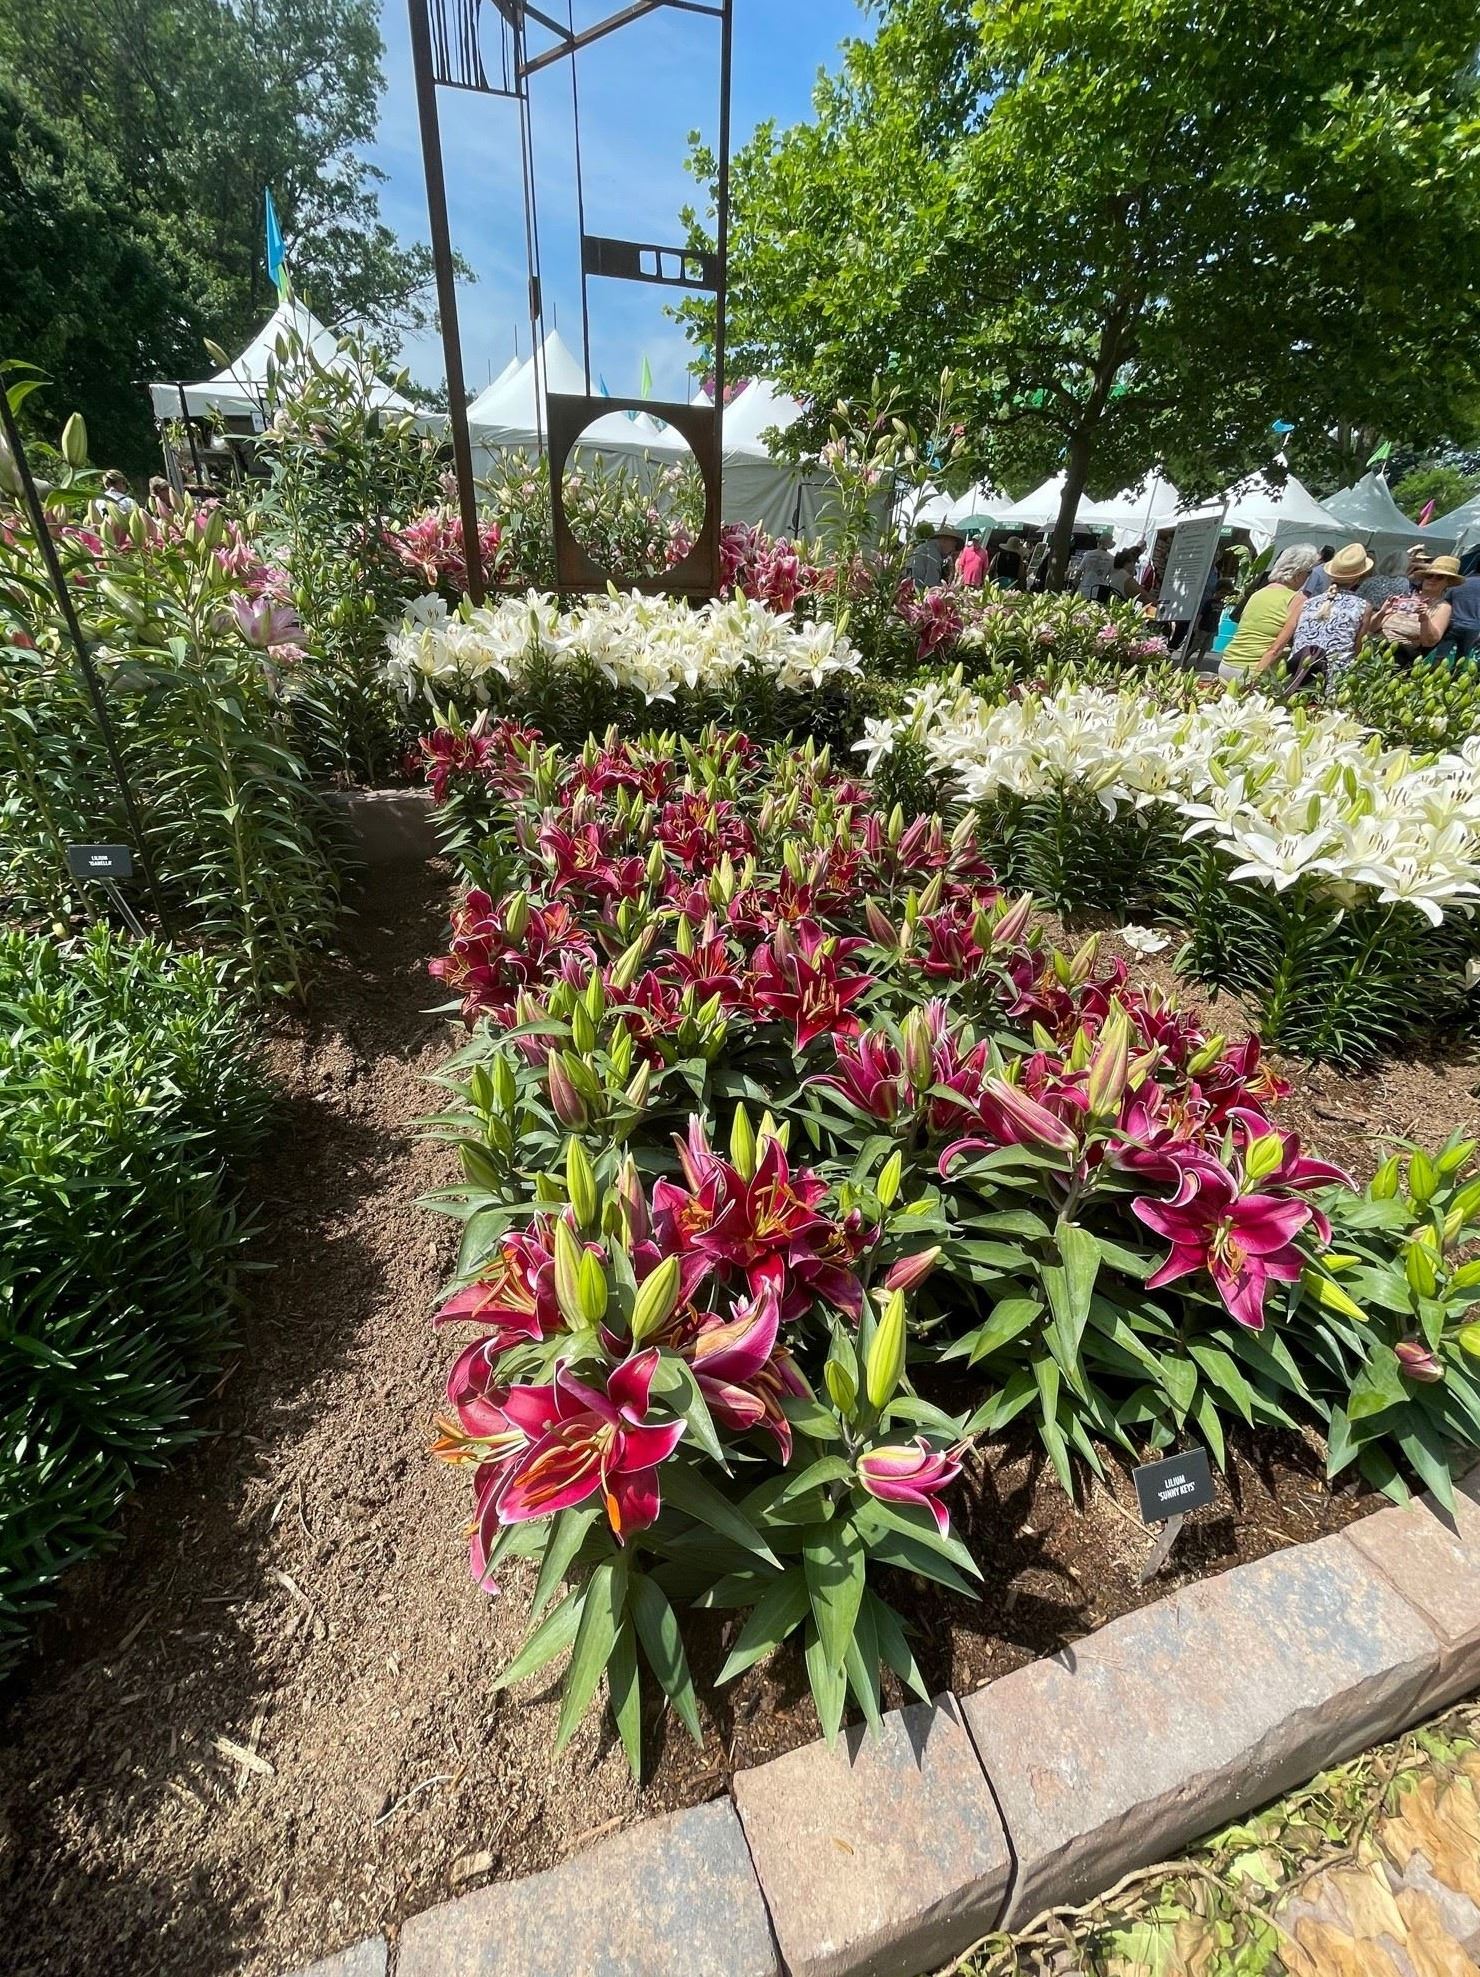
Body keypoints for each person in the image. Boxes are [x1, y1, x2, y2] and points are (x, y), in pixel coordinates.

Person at [1254, 542, 1372, 695]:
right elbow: (1358, 650)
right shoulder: (1363, 607)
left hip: (1297, 678)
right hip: (1334, 684)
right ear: (1359, 578)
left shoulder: (1307, 603)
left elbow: (1279, 645)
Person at [1217, 543, 1320, 682]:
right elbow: (1275, 649)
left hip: (1227, 664)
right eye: (1309, 572)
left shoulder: (1258, 593)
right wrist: (1253, 680)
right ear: (1298, 573)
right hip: (1254, 670)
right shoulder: (1298, 600)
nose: (1309, 577)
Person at [1373, 554, 1463, 661]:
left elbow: (1429, 642)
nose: (1432, 580)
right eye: (1429, 576)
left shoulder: (1443, 607)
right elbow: (1372, 628)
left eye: (1439, 577)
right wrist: (1382, 612)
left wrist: (1424, 619)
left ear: (1447, 582)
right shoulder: (1405, 597)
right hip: (1375, 643)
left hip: (1400, 653)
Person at [1445, 563, 1480, 659]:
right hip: (1473, 628)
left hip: (1452, 625)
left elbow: (1446, 601)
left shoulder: (1460, 582)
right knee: (1462, 659)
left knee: (1439, 656)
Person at [1074, 532, 1115, 598]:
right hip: (1098, 592)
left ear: (1098, 543)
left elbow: (1078, 573)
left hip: (1083, 589)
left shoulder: (1088, 554)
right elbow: (1111, 578)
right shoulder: (1112, 558)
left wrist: (1073, 590)